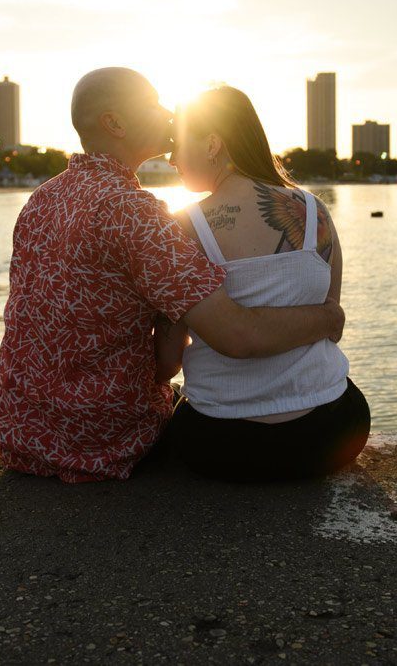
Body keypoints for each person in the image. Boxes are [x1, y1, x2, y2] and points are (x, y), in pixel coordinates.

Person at [0, 68, 345, 483]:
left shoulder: (42, 199)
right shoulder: (134, 214)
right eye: (154, 103)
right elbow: (234, 337)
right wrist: (330, 317)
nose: (168, 115)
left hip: (19, 430)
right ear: (115, 123)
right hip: (99, 441)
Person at [159, 85, 371, 482]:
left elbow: (168, 358)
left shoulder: (181, 228)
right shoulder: (314, 212)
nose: (170, 158)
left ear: (212, 144)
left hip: (218, 442)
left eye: (176, 143)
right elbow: (331, 320)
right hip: (331, 431)